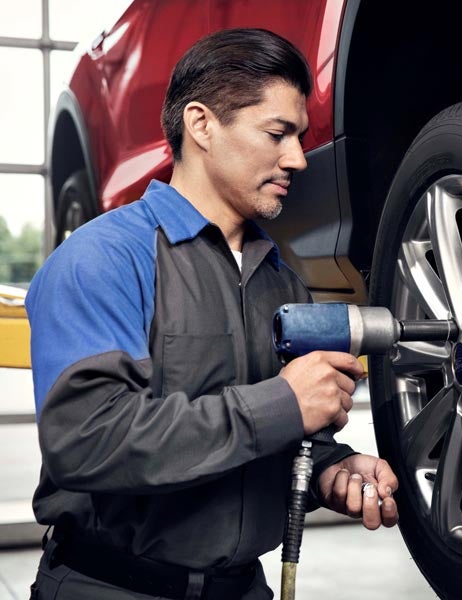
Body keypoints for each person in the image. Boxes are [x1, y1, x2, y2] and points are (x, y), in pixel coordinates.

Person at [26, 28, 399, 600]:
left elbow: (283, 429)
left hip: (243, 588)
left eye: (299, 137)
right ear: (201, 124)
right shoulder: (102, 260)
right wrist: (282, 404)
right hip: (112, 588)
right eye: (278, 133)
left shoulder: (281, 277)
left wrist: (331, 467)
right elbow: (87, 440)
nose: (297, 157)